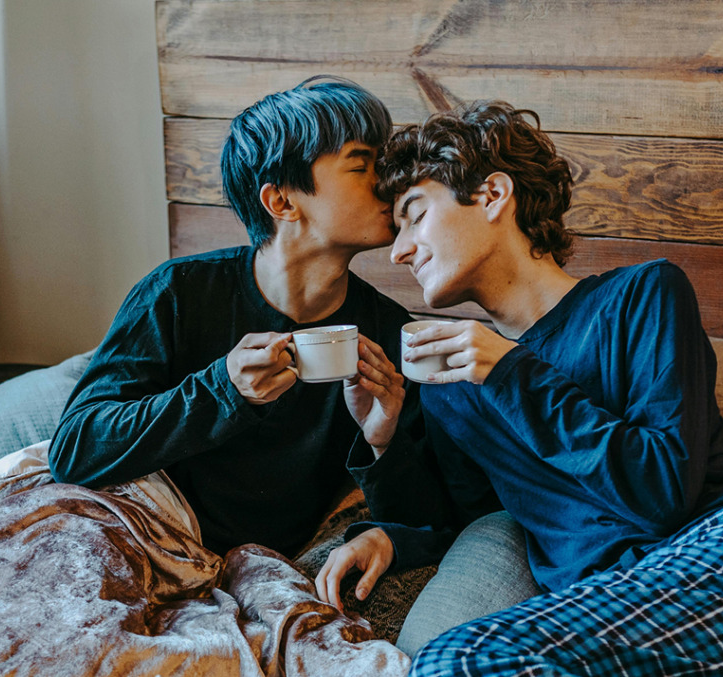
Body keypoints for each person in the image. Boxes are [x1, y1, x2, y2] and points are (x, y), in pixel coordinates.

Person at [317, 101, 723, 675]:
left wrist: (512, 373)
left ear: (493, 195)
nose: (399, 251)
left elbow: (664, 493)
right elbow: (466, 520)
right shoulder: (451, 383)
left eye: (415, 215)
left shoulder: (642, 296)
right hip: (609, 613)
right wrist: (383, 443)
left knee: (457, 661)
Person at [48, 76, 440, 565]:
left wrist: (382, 439)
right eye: (362, 166)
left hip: (282, 566)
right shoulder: (178, 294)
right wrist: (224, 391)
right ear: (281, 202)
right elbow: (75, 450)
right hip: (148, 539)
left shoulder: (389, 335)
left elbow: (428, 522)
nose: (390, 181)